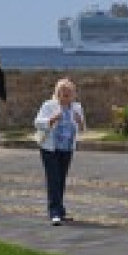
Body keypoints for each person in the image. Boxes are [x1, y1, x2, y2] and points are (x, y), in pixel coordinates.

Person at [33, 78, 86, 225]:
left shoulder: (77, 107)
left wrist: (80, 122)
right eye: (63, 93)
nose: (66, 96)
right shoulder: (49, 105)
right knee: (53, 179)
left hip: (67, 148)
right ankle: (54, 212)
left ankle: (60, 210)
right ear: (58, 93)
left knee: (61, 179)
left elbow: (82, 128)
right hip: (50, 148)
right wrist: (51, 120)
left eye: (69, 93)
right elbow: (37, 123)